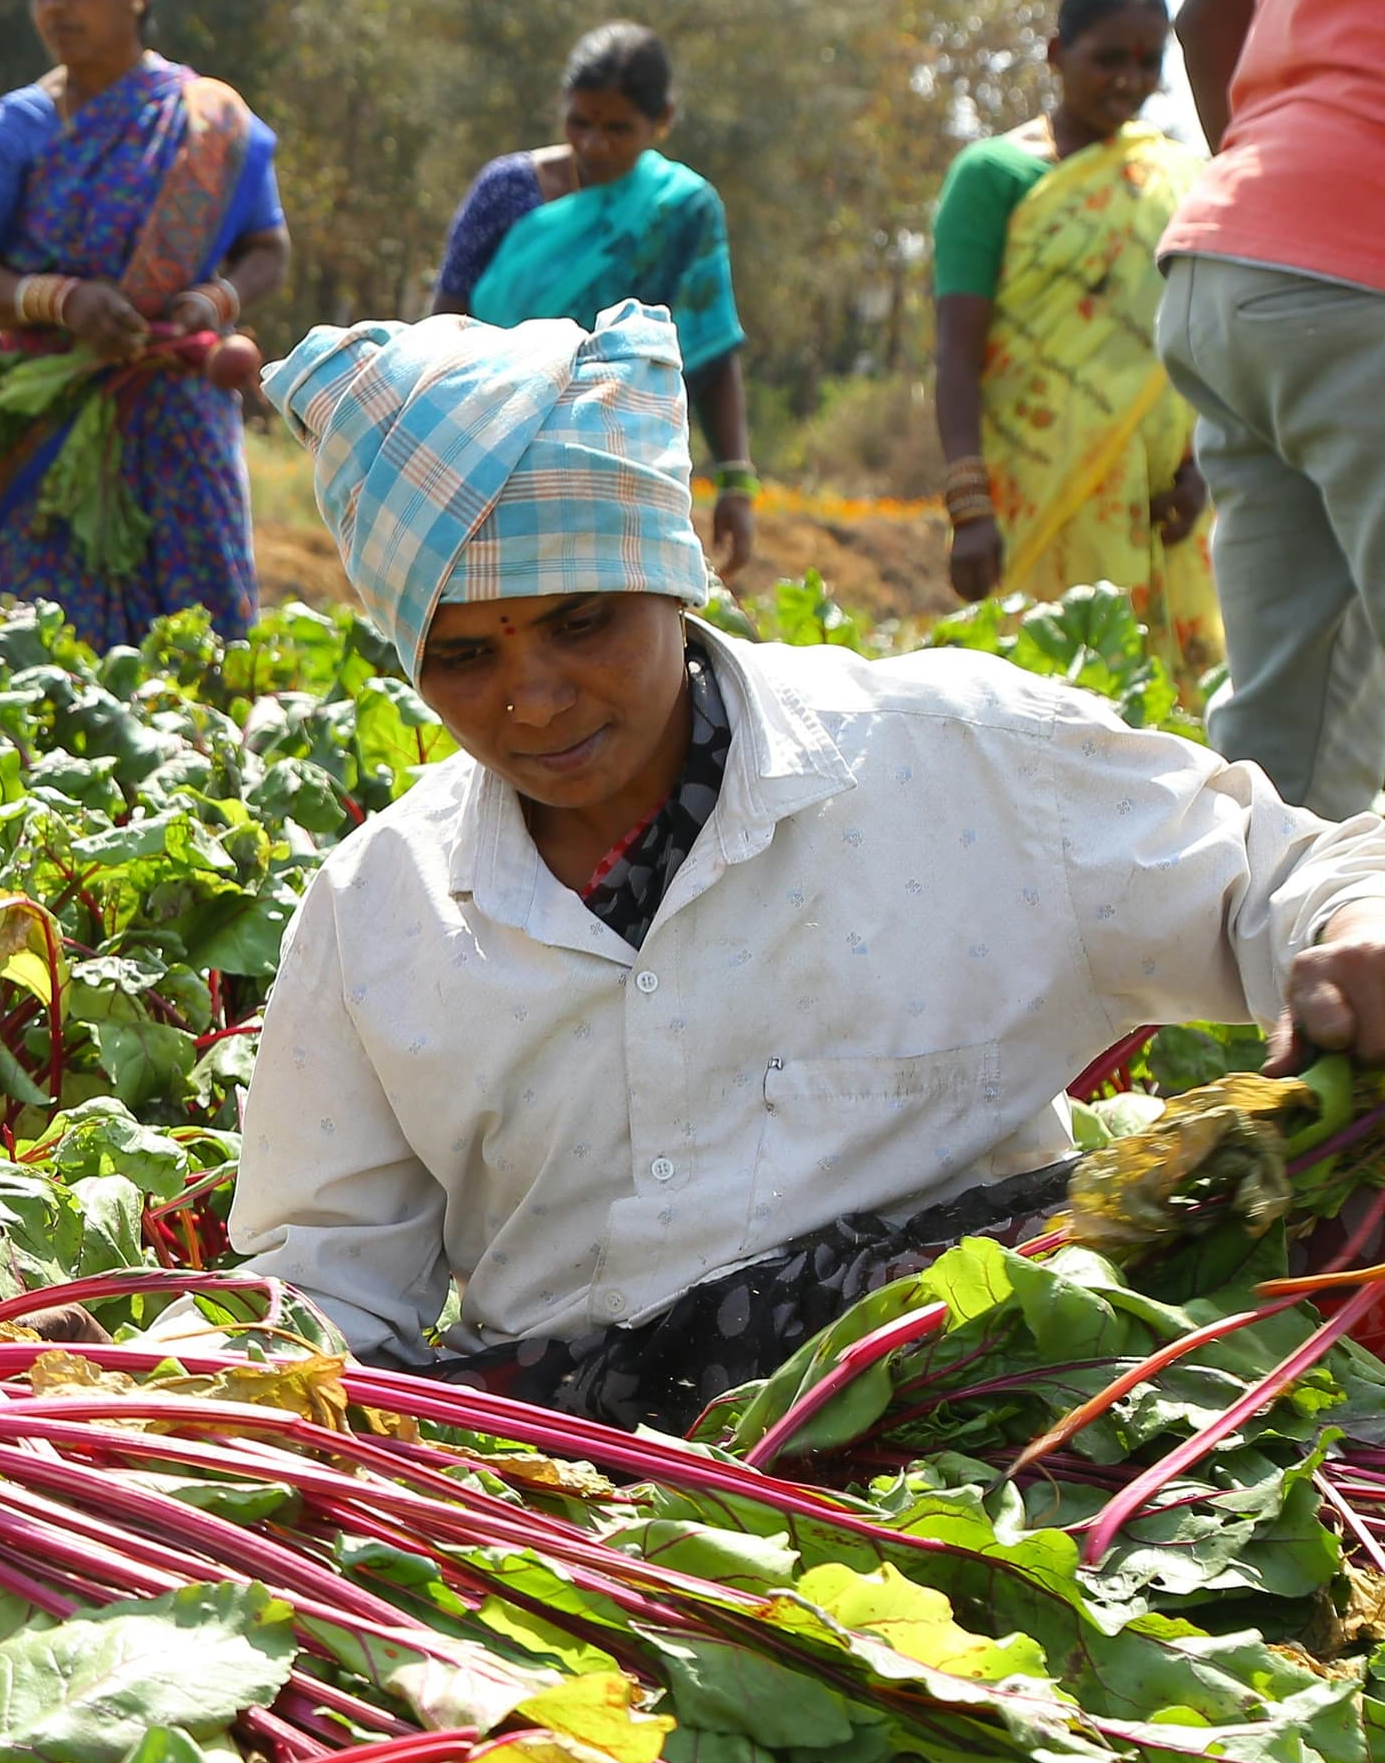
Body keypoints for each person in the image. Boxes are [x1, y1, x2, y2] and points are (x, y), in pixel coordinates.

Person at [229, 301, 1385, 1429]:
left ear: (673, 579)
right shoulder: (379, 909)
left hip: (996, 1417)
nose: (533, 696)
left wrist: (1357, 922)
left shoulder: (962, 758)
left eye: (582, 623)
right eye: (468, 657)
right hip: (576, 1470)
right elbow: (325, 1285)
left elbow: (1278, 880)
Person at [0, 0, 291, 645]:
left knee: (201, 635)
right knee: (46, 641)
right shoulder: (15, 130)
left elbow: (269, 249)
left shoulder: (211, 123)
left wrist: (213, 298)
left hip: (181, 418)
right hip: (53, 416)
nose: (54, 4)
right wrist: (63, 301)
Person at [1159, 0, 1385, 814]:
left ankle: (1276, 998)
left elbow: (1205, 20)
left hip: (1234, 261)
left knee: (1284, 767)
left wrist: (1282, 208)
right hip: (1362, 287)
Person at [932, 0, 1219, 675]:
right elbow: (957, 356)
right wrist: (969, 508)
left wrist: (1201, 467)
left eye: (1149, 62)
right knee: (1040, 698)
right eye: (1108, 58)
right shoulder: (993, 175)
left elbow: (1203, 344)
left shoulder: (1178, 180)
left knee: (1163, 717)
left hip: (1158, 505)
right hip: (1029, 499)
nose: (1130, 79)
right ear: (1059, 55)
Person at [432, 24, 757, 577]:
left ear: (663, 121)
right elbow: (443, 329)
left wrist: (735, 480)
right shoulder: (506, 191)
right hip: (490, 458)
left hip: (618, 466)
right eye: (580, 122)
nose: (593, 145)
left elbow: (710, 347)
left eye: (617, 129)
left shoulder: (681, 211)